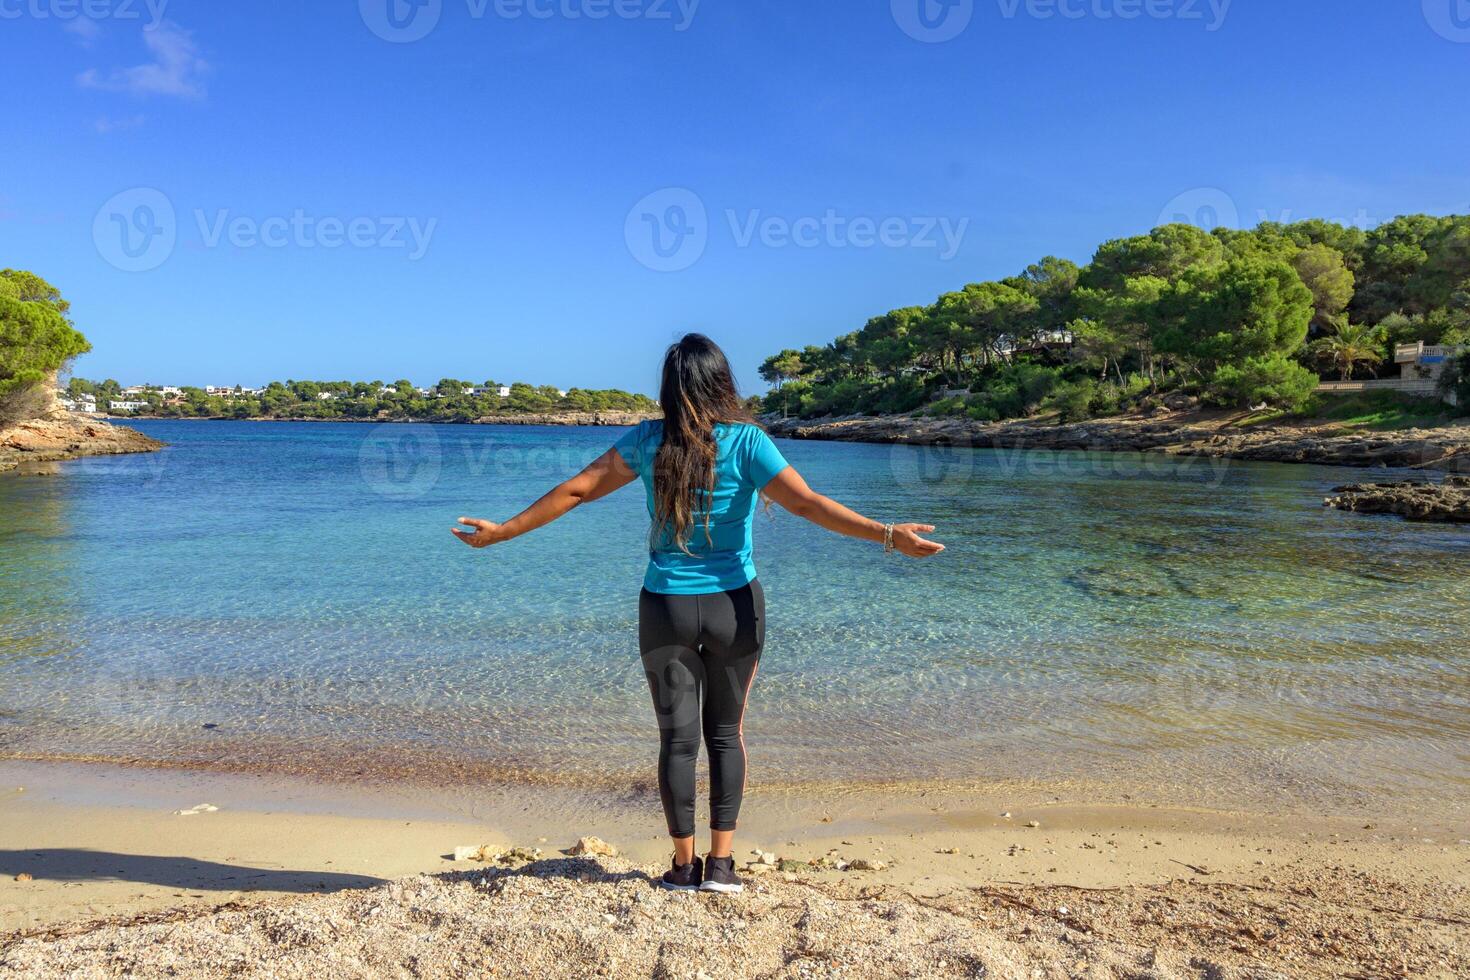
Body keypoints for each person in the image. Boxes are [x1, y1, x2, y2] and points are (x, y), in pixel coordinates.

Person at [451, 333, 944, 893]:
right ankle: (722, 867)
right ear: (722, 383)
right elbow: (807, 504)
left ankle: (683, 867)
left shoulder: (647, 441)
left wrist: (503, 532)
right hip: (735, 606)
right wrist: (886, 535)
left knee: (677, 740)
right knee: (727, 735)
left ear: (669, 387)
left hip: (665, 608)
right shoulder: (750, 443)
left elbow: (577, 492)